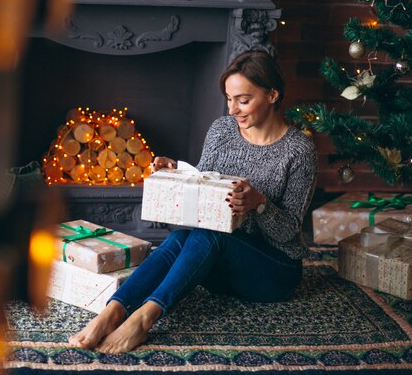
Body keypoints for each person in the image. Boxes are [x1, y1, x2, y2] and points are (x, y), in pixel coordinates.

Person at [68, 50, 318, 354]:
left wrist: (259, 203)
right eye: (229, 99)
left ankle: (144, 319)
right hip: (220, 267)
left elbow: (289, 232)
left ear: (272, 95)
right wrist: (177, 173)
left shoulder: (298, 150)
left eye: (243, 99)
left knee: (209, 235)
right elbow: (203, 192)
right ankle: (113, 312)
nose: (233, 110)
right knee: (181, 237)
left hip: (273, 272)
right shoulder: (222, 131)